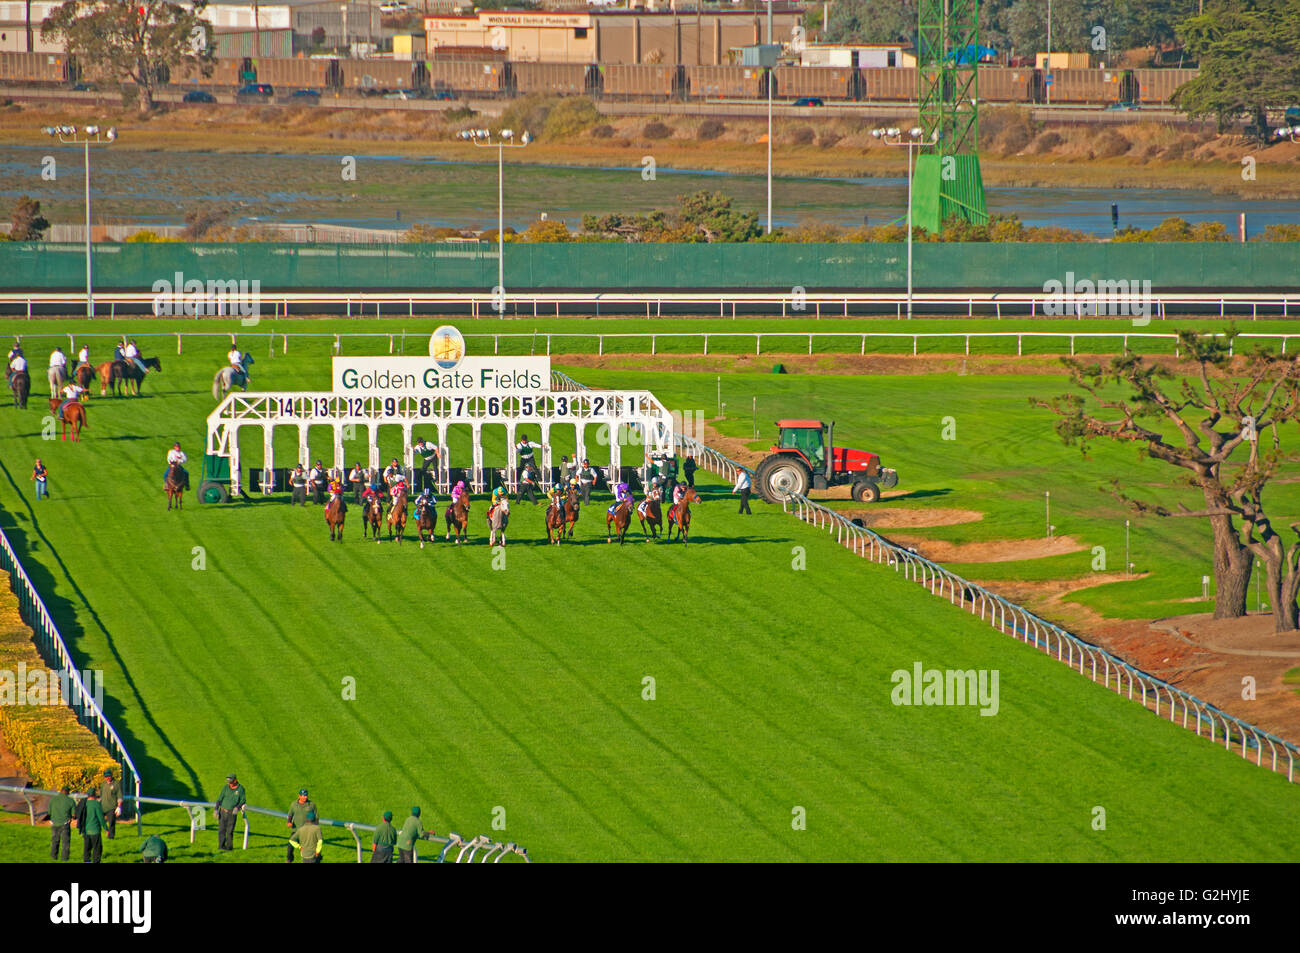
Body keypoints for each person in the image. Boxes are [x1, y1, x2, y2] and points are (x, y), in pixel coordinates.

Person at [214, 772, 246, 851]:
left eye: (230, 782)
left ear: (235, 780)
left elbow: (243, 800)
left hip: (232, 813)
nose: (229, 784)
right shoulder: (225, 787)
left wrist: (237, 807)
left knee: (229, 831)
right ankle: (221, 846)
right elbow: (219, 799)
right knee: (221, 830)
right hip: (222, 812)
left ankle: (229, 848)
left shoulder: (240, 789)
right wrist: (216, 809)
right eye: (228, 782)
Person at [286, 788, 317, 864]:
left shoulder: (311, 805)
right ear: (299, 796)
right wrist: (289, 822)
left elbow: (316, 817)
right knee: (290, 845)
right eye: (303, 796)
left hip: (307, 832)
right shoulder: (294, 804)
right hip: (296, 830)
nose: (305, 797)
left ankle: (316, 860)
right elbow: (290, 814)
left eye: (306, 795)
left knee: (312, 849)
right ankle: (289, 860)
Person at [79, 786, 106, 864]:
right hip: (95, 830)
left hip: (86, 831)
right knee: (97, 849)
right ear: (94, 794)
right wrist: (106, 828)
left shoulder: (84, 804)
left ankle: (86, 861)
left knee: (87, 849)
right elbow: (101, 818)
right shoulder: (96, 804)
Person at [48, 784, 75, 861]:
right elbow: (74, 815)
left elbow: (49, 812)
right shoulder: (71, 801)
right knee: (65, 843)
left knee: (54, 841)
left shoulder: (52, 799)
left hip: (54, 823)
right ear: (67, 792)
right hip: (65, 824)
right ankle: (64, 858)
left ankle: (53, 857)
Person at [100, 768, 120, 840]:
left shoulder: (116, 784)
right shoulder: (103, 784)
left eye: (108, 776)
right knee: (99, 820)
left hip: (112, 807)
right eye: (106, 776)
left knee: (111, 822)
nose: (107, 778)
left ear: (111, 776)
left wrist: (119, 807)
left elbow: (119, 796)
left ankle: (111, 837)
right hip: (103, 806)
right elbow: (101, 795)